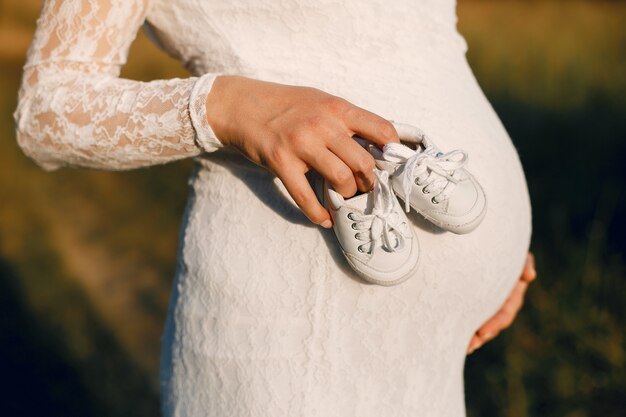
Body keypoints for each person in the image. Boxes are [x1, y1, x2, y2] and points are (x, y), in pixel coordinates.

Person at [13, 0, 534, 415]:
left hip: (436, 355)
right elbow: (48, 110)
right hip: (296, 332)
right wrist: (229, 104)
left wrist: (497, 244)